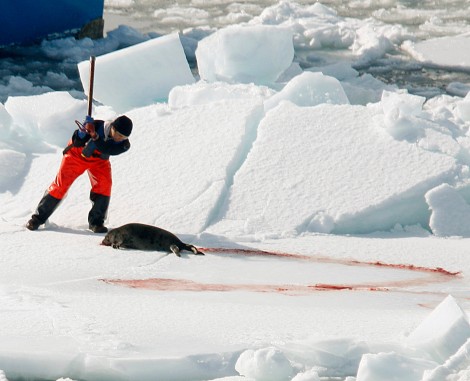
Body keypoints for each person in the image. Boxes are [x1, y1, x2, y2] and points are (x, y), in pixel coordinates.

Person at [26, 115, 133, 233]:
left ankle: (96, 222)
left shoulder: (124, 145)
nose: (119, 138)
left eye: (123, 137)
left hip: (99, 161)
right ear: (112, 126)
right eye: (118, 134)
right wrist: (81, 133)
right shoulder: (96, 126)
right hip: (76, 156)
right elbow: (76, 141)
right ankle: (37, 218)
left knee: (104, 186)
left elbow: (107, 149)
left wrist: (95, 137)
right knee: (61, 186)